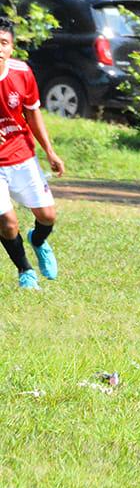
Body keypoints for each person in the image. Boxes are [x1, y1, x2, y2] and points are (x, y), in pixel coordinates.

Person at [0, 18, 65, 290]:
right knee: (6, 221)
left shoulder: (21, 73)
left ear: (12, 48)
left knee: (48, 216)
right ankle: (25, 271)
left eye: (3, 43)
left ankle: (37, 241)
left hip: (21, 154)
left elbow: (33, 112)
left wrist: (50, 151)